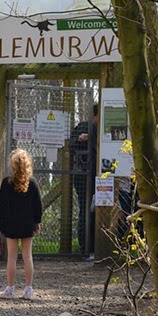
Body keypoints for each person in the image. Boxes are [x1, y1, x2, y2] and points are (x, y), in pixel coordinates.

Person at [0, 149, 42, 300]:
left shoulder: (7, 182)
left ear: (12, 165)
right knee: (27, 256)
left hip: (11, 224)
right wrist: (37, 222)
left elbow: (1, 205)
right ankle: (28, 289)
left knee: (11, 257)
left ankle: (10, 288)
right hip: (27, 224)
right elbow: (38, 206)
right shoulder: (32, 183)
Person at [70, 103, 98, 261]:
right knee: (85, 210)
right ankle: (84, 247)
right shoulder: (84, 126)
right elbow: (71, 145)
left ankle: (95, 246)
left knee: (97, 211)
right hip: (84, 176)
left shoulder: (103, 129)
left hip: (99, 177)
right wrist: (80, 139)